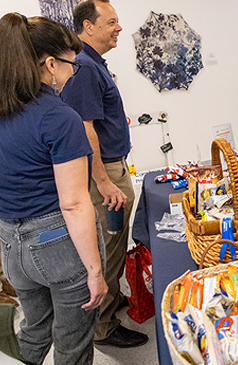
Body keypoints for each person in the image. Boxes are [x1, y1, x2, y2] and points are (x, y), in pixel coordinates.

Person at [0, 13, 108, 364]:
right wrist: (95, 271)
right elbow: (75, 204)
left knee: (35, 328)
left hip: (11, 244)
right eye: (70, 66)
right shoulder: (59, 118)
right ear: (49, 64)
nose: (70, 74)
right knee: (72, 341)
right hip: (56, 245)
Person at [61, 0, 148, 347]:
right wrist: (103, 180)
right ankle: (104, 325)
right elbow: (85, 128)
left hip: (113, 165)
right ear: (88, 26)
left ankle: (111, 304)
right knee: (109, 246)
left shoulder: (93, 64)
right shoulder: (83, 65)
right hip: (104, 172)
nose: (119, 28)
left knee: (114, 243)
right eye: (111, 22)